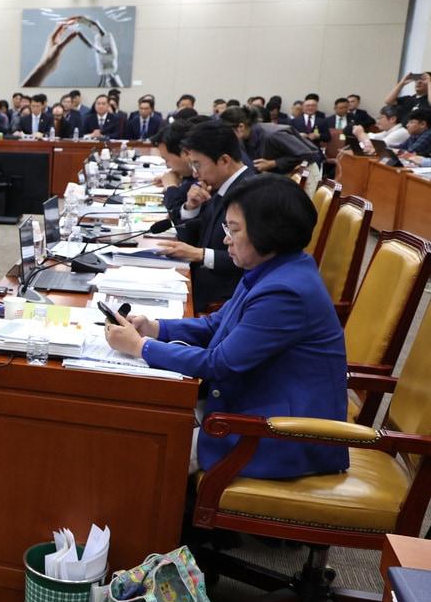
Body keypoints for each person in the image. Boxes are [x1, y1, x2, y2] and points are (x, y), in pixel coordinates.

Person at [104, 176, 348, 480]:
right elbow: (218, 323)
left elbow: (220, 363)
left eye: (233, 230)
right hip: (248, 403)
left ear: (268, 235)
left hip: (275, 433)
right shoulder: (273, 269)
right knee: (128, 419)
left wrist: (141, 347)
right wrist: (154, 329)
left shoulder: (286, 292)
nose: (225, 240)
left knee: (134, 451)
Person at [156, 119, 270, 311]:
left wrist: (199, 254)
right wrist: (190, 208)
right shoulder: (222, 186)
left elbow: (255, 259)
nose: (195, 173)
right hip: (201, 280)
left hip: (224, 296)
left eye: (198, 165)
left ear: (224, 160)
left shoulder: (251, 192)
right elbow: (194, 235)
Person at [219, 105, 319, 175]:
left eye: (227, 130)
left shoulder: (272, 134)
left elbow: (307, 154)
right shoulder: (244, 138)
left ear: (240, 127)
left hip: (305, 172)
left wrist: (273, 163)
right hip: (284, 176)